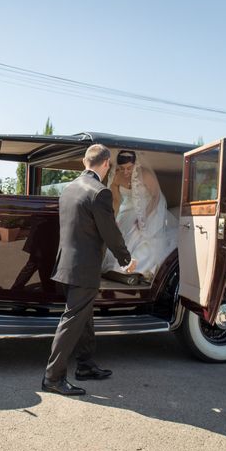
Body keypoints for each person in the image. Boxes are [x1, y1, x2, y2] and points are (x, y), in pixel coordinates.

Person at [42, 144, 135, 396]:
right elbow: (110, 231)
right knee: (72, 320)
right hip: (83, 268)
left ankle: (85, 365)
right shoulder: (100, 192)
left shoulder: (68, 189)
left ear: (85, 161)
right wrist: (125, 259)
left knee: (84, 317)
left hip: (66, 265)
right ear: (105, 164)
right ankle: (53, 377)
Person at [101, 150, 177, 280]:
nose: (125, 172)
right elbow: (116, 200)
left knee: (139, 230)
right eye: (122, 168)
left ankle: (140, 268)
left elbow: (156, 196)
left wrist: (145, 217)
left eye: (129, 168)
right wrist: (113, 219)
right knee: (120, 231)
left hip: (150, 207)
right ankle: (120, 267)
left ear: (135, 164)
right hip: (128, 210)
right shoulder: (116, 177)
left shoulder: (146, 175)